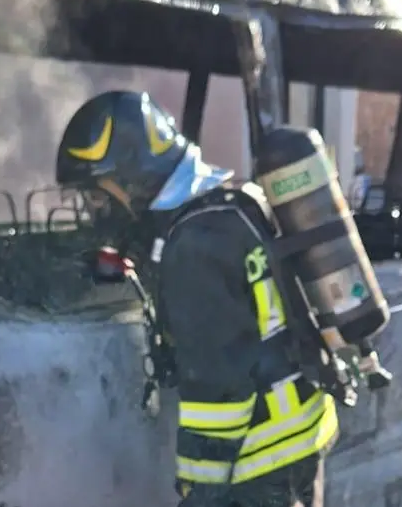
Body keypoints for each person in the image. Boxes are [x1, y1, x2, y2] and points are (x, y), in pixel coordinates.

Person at [55, 91, 337, 507]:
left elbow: (218, 387)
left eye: (97, 195)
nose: (95, 210)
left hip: (258, 462)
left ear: (135, 178)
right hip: (297, 432)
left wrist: (201, 491)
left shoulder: (193, 247)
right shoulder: (227, 205)